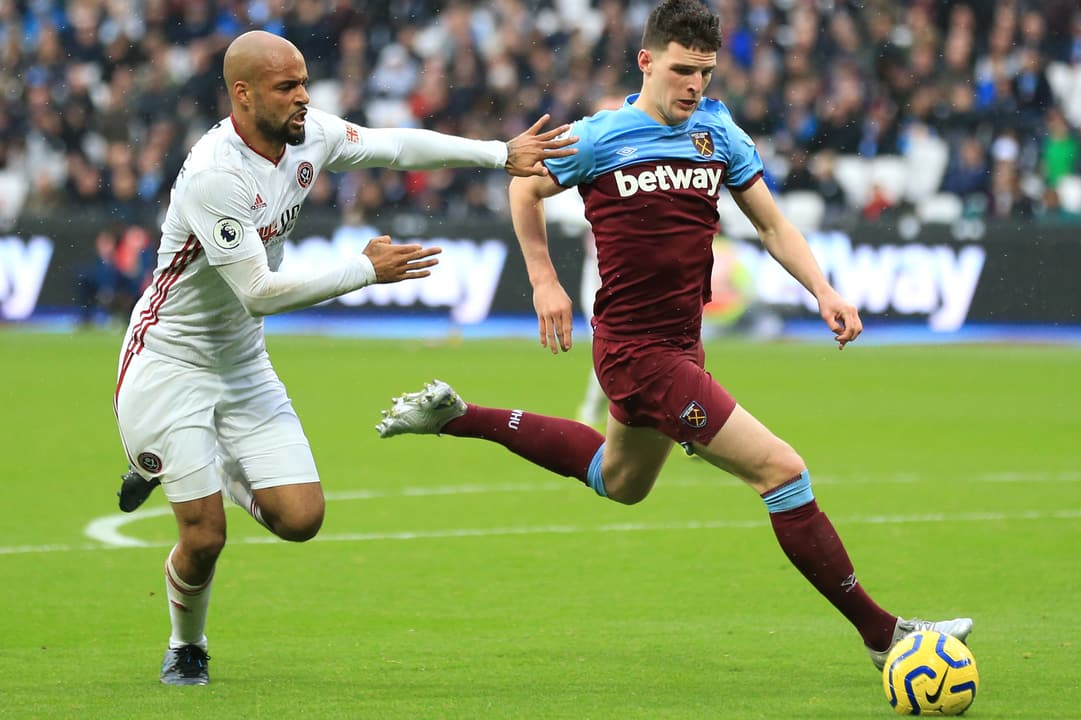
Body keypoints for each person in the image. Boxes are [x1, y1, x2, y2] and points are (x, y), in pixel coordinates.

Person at [375, 0, 971, 673]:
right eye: (683, 70)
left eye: (707, 74)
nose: (695, 86)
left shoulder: (720, 135)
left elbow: (773, 226)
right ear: (647, 62)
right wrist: (544, 279)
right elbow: (524, 190)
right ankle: (883, 634)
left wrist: (825, 290)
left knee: (620, 480)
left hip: (679, 348)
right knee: (782, 471)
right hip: (638, 355)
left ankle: (461, 416)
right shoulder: (601, 136)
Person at [111, 30, 576, 686]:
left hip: (242, 363)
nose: (304, 96)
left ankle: (193, 461)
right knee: (205, 535)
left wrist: (499, 154)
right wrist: (362, 270)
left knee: (301, 520)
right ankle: (187, 646)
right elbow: (256, 292)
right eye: (287, 86)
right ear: (242, 95)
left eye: (304, 82)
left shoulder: (308, 135)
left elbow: (392, 145)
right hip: (170, 363)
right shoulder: (215, 174)